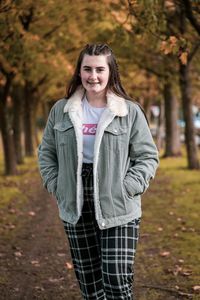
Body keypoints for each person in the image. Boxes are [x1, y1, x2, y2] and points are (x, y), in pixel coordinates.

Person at [38, 43, 159, 300]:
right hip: (75, 201)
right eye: (87, 69)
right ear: (79, 72)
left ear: (111, 72)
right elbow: (46, 153)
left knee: (116, 279)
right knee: (90, 285)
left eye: (100, 69)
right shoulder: (61, 111)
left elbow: (147, 156)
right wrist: (56, 184)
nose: (93, 76)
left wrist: (129, 187)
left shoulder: (129, 112)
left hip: (118, 202)